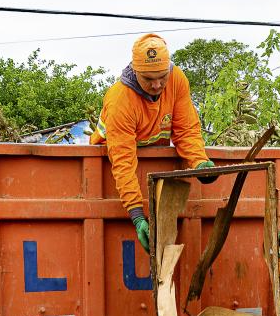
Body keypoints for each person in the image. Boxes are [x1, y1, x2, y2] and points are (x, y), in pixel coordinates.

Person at [90, 33, 215, 253]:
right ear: (135, 71)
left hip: (155, 167)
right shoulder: (121, 100)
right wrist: (137, 216)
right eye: (148, 79)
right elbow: (123, 162)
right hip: (111, 171)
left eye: (162, 77)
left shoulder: (177, 79)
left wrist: (199, 163)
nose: (157, 85)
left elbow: (186, 129)